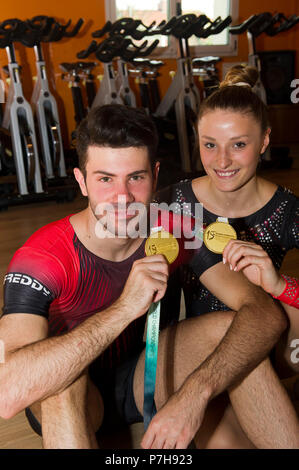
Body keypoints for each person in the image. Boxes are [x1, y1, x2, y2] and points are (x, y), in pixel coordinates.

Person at [0, 105, 298, 450]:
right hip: (76, 400)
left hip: (148, 374)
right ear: (81, 181)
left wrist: (195, 395)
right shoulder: (42, 257)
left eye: (136, 178)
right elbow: (8, 393)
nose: (123, 197)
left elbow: (263, 314)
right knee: (62, 381)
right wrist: (125, 308)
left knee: (231, 330)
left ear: (154, 175)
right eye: (105, 179)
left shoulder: (174, 229)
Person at [154, 64, 299, 381]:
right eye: (210, 145)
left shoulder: (288, 210)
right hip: (202, 351)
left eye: (238, 144)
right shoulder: (171, 203)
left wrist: (279, 285)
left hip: (267, 347)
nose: (221, 162)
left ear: (263, 141)